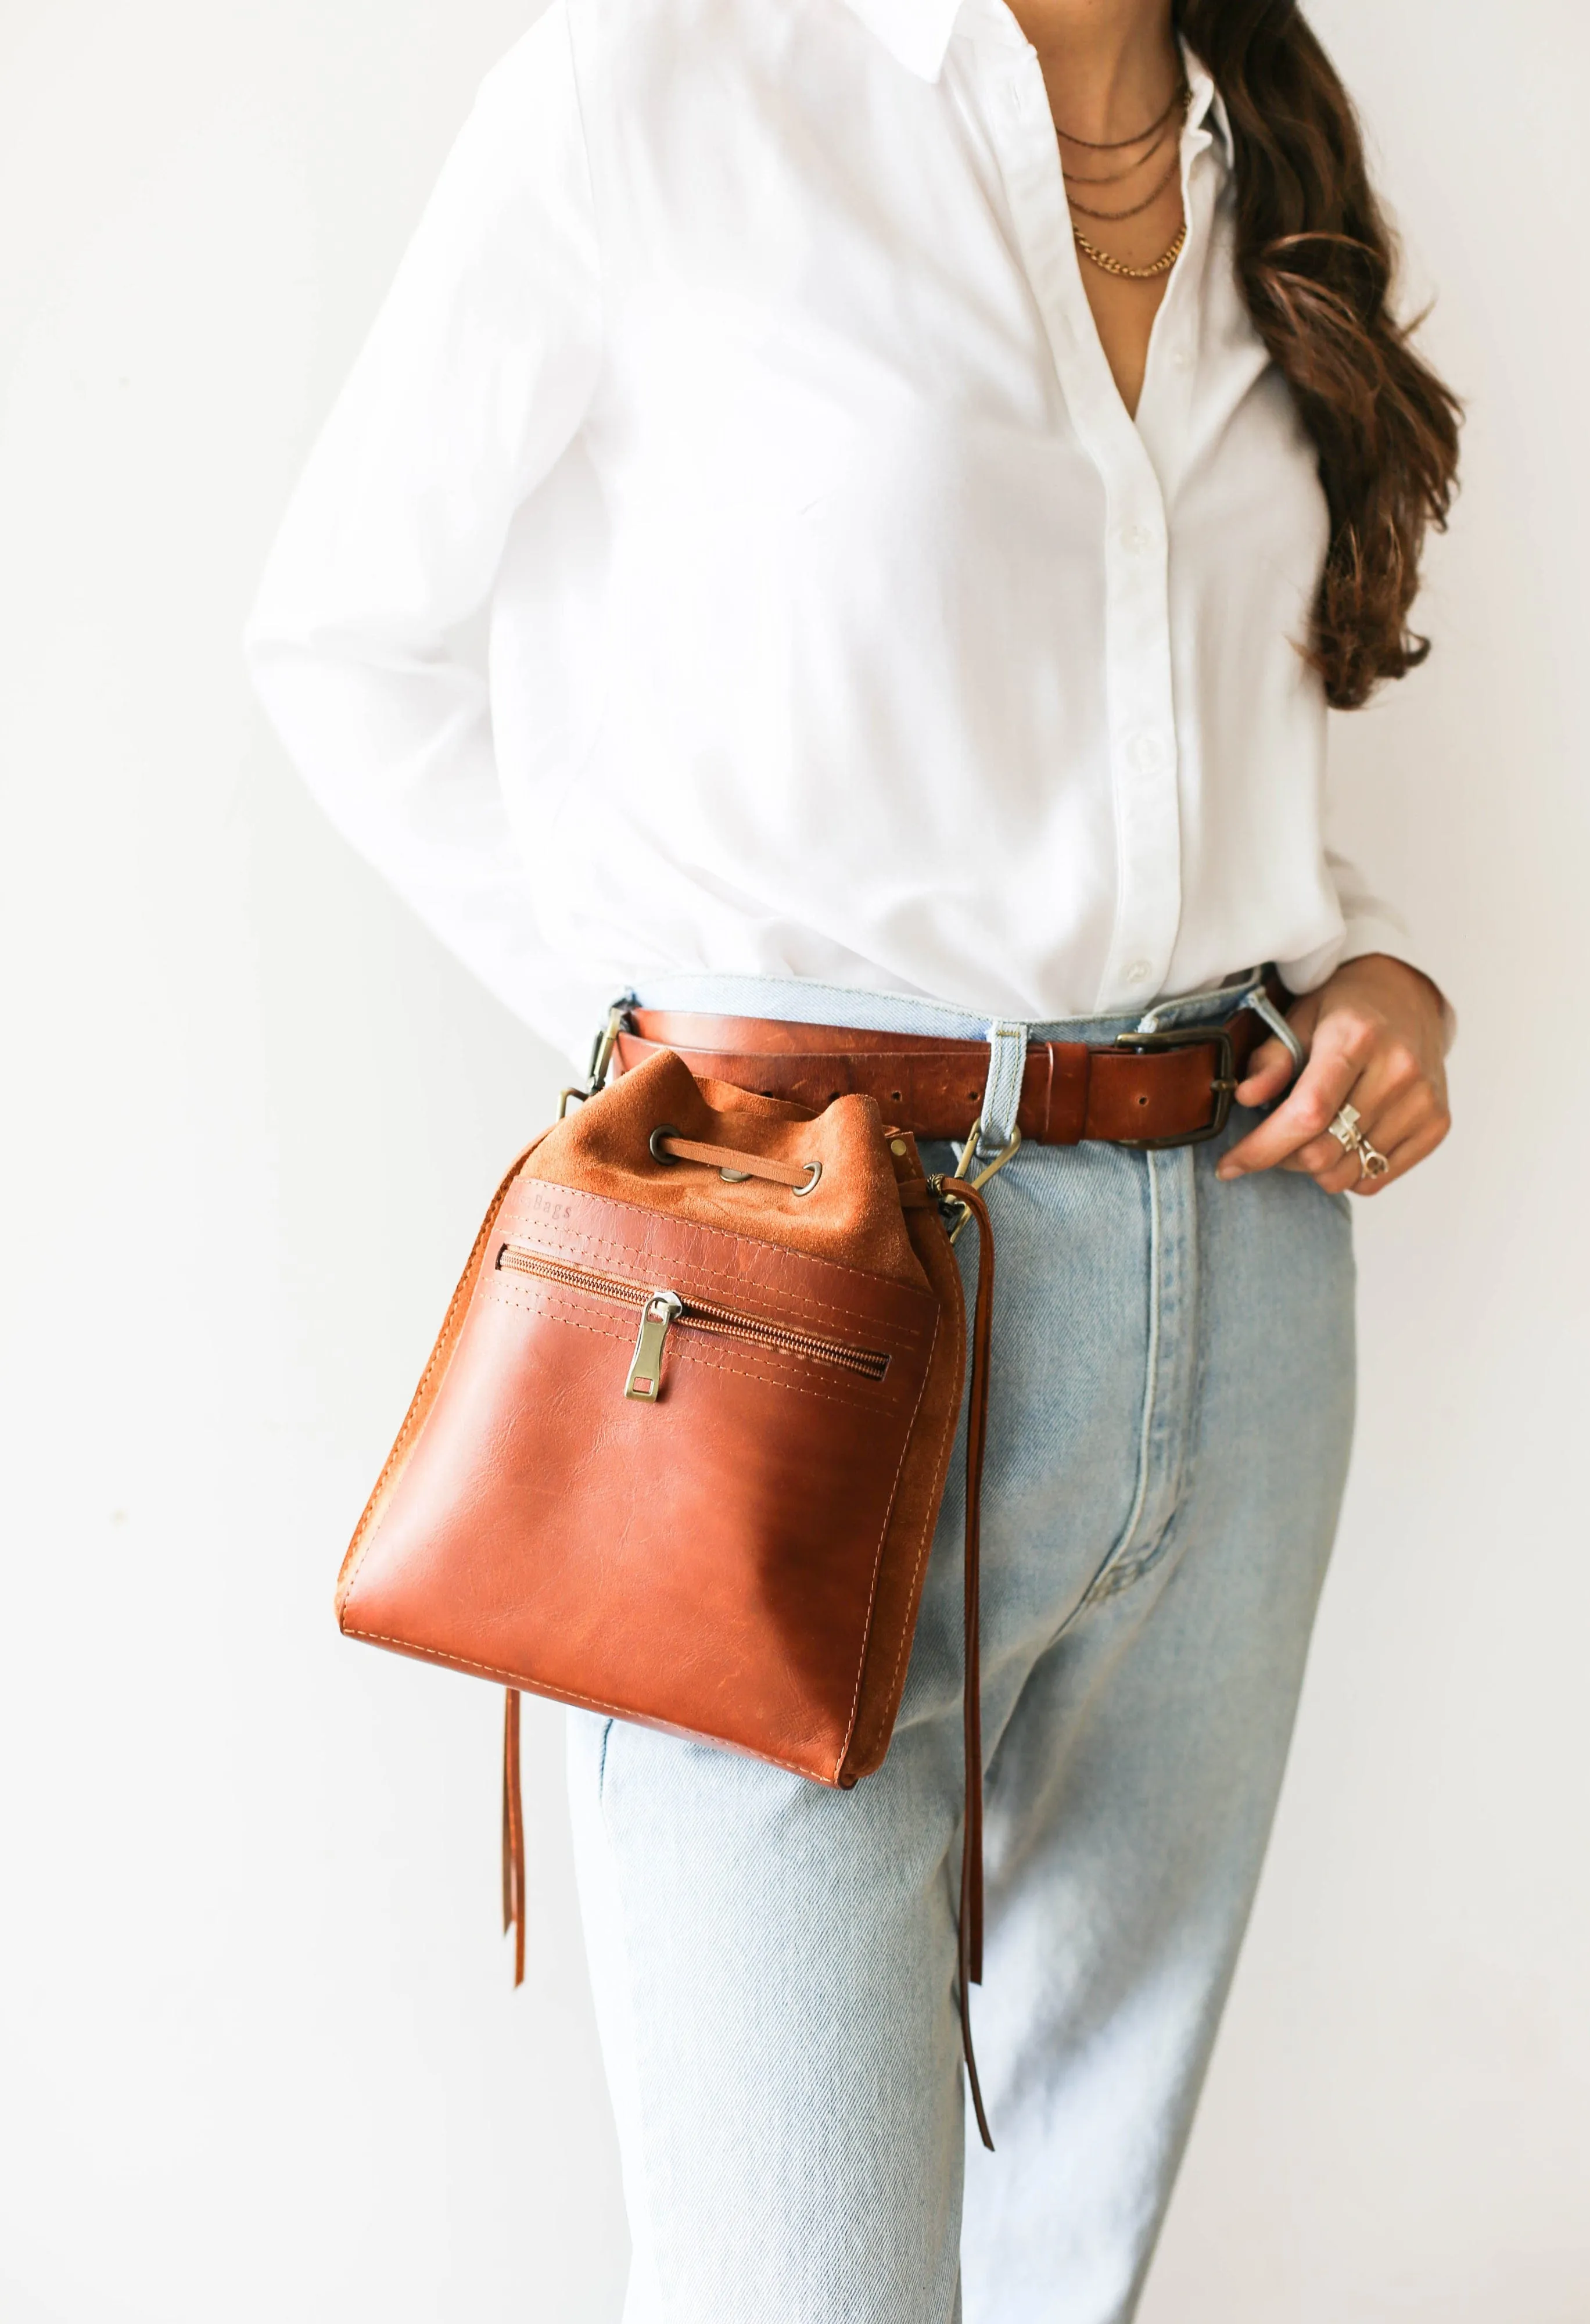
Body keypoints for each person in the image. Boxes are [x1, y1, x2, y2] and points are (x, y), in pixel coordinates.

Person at [246, 0, 1459, 2314]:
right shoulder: (659, 86)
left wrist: (1368, 967)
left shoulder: (1253, 139)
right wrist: (663, 1068)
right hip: (781, 1300)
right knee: (792, 2279)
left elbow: (1204, 721)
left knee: (1064, 2257)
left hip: (1245, 1272)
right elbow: (342, 637)